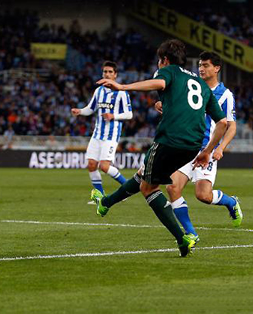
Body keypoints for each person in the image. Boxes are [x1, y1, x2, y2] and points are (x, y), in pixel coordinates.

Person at [91, 39, 227, 257]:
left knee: (148, 188)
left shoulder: (168, 72)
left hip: (170, 139)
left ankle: (182, 238)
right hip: (193, 145)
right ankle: (105, 203)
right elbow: (222, 123)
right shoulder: (200, 84)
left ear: (164, 60)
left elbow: (159, 84)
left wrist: (123, 86)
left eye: (159, 60)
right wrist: (207, 151)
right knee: (144, 174)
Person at [157, 51, 242, 241]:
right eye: (200, 65)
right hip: (185, 146)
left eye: (206, 65)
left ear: (217, 68)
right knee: (172, 188)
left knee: (203, 195)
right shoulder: (192, 86)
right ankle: (190, 233)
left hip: (207, 150)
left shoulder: (225, 94)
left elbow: (231, 126)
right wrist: (162, 104)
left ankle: (231, 202)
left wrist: (219, 148)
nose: (201, 69)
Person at [71, 61, 132, 200]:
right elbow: (91, 109)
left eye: (110, 72)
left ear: (115, 75)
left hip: (111, 135)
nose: (107, 74)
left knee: (104, 166)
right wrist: (80, 111)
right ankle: (100, 196)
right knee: (92, 165)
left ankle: (128, 187)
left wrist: (113, 116)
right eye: (105, 72)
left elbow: (129, 114)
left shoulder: (122, 92)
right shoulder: (98, 91)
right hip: (97, 134)